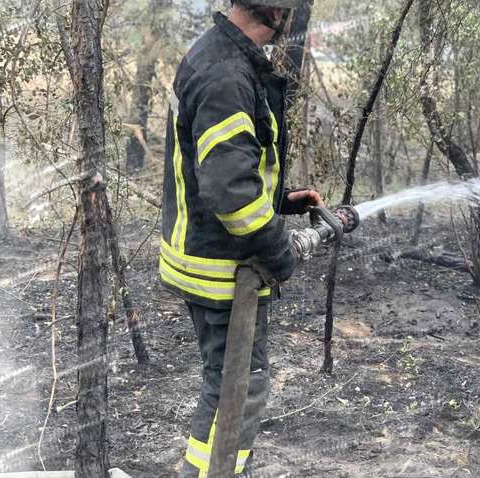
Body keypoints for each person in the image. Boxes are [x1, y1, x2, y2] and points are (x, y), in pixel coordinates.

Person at [158, 1, 322, 476]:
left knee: (228, 383)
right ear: (277, 14)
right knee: (236, 389)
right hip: (222, 271)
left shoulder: (217, 56)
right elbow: (230, 192)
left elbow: (214, 167)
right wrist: (278, 249)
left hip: (207, 253)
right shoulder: (227, 76)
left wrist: (280, 203)